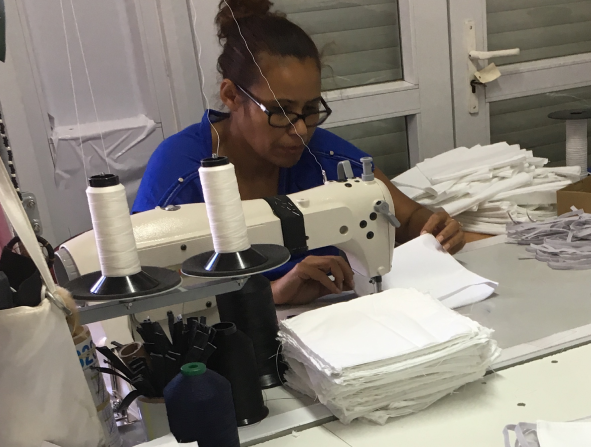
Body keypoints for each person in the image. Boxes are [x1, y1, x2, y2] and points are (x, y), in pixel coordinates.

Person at [133, 0, 465, 305]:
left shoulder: (323, 156)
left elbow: (405, 218)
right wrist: (273, 293)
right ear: (232, 95)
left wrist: (435, 227)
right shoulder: (179, 174)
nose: (301, 130)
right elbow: (149, 286)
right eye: (280, 110)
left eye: (310, 109)